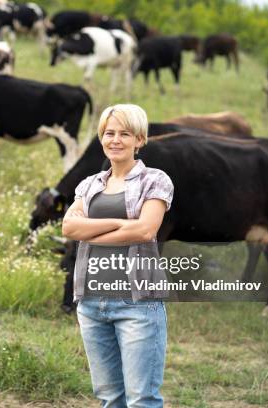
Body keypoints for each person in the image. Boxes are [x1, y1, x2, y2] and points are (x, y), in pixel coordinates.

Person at [61, 104, 174, 407]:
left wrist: (93, 230)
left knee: (141, 399)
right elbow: (69, 227)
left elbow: (144, 231)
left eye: (125, 134)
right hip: (91, 303)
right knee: (110, 398)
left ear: (140, 139)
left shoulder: (155, 180)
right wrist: (118, 223)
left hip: (137, 304)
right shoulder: (90, 184)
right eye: (109, 133)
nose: (115, 140)